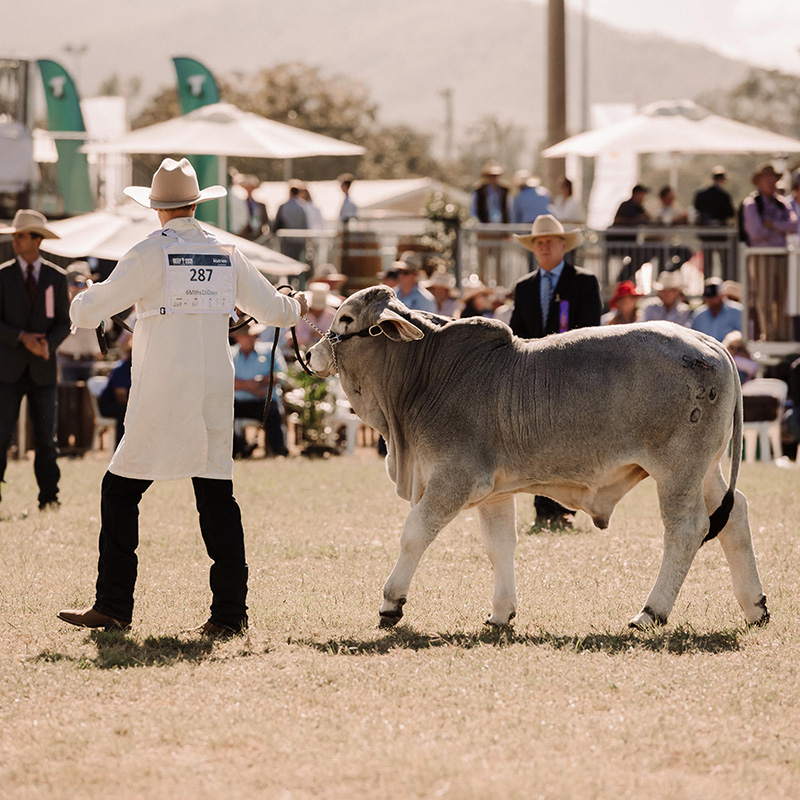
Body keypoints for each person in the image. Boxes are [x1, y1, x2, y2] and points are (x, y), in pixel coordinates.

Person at [57, 157, 307, 636]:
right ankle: (230, 614)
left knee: (120, 492)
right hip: (213, 393)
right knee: (216, 501)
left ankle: (112, 605)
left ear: (157, 209)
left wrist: (83, 293)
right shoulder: (226, 252)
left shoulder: (148, 253)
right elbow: (276, 311)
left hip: (161, 392)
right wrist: (293, 300)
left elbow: (91, 313)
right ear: (196, 203)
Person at [509, 214, 602, 528]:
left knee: (566, 444)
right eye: (539, 242)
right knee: (536, 445)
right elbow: (516, 332)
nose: (544, 247)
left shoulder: (584, 282)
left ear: (564, 245)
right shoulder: (524, 287)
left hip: (573, 375)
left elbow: (591, 330)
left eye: (550, 242)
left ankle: (564, 510)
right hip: (534, 377)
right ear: (534, 248)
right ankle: (542, 511)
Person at [0, 209, 70, 510]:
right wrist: (21, 338)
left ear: (37, 240)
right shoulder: (2, 275)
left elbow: (64, 323)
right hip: (8, 371)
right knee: (1, 436)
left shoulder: (57, 277)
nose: (15, 241)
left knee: (46, 438)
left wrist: (48, 344)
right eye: (14, 236)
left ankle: (49, 496)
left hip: (42, 369)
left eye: (20, 236)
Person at [741, 162, 799, 341]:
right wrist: (779, 230)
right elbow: (756, 232)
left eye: (773, 180)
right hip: (761, 257)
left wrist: (772, 224)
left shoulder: (781, 203)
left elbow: (794, 224)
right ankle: (769, 334)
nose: (771, 183)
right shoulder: (751, 204)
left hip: (781, 256)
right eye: (767, 180)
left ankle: (782, 335)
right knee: (764, 298)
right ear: (759, 182)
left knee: (782, 299)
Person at [232, 322, 288, 458]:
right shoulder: (229, 352)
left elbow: (280, 375)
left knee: (272, 412)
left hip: (263, 401)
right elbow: (224, 380)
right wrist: (252, 387)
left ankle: (278, 452)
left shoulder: (270, 350)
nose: (251, 338)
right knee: (219, 414)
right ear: (238, 337)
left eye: (253, 335)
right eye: (246, 336)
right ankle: (238, 448)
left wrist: (261, 382)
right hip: (237, 402)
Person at [57, 261, 102, 382]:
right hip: (66, 360)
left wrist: (91, 300)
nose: (76, 287)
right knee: (66, 398)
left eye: (80, 283)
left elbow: (107, 326)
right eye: (72, 283)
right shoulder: (61, 304)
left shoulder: (96, 303)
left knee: (89, 399)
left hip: (89, 361)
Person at [97, 333, 133, 447]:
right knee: (125, 412)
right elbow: (120, 396)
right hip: (108, 404)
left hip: (123, 403)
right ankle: (120, 448)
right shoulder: (122, 368)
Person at [691, 277, 742, 342]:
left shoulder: (737, 312)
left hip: (729, 351)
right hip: (704, 351)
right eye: (709, 297)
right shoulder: (698, 315)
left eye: (714, 297)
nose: (712, 301)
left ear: (722, 295)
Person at [272, 179, 309, 263]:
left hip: (286, 240)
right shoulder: (302, 207)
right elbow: (305, 223)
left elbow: (277, 223)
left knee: (287, 260)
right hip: (300, 239)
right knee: (298, 260)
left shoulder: (284, 206)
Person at [233, 173, 269, 241]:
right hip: (245, 234)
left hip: (258, 234)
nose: (249, 190)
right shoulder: (241, 204)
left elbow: (265, 220)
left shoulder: (260, 205)